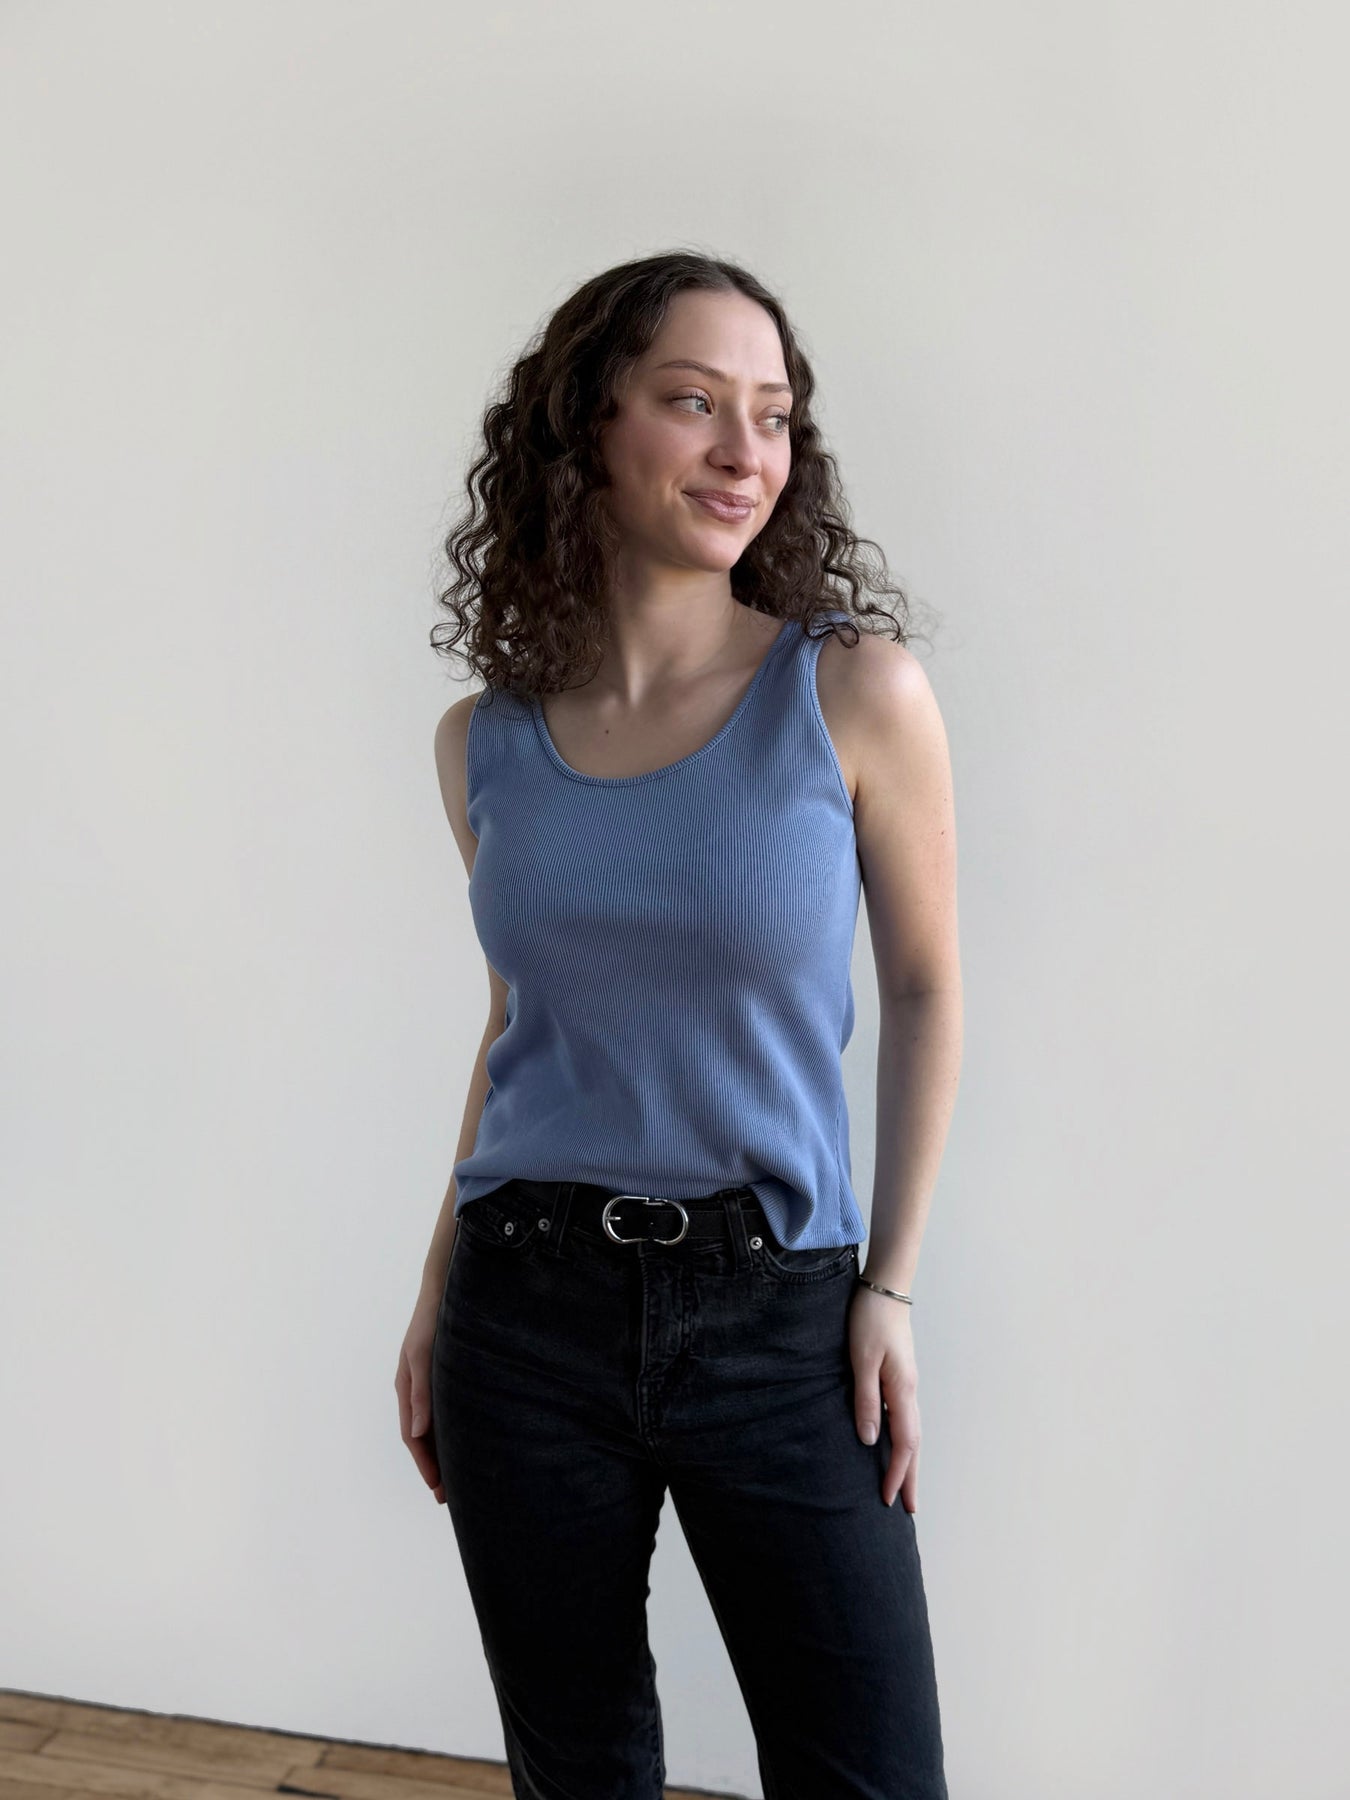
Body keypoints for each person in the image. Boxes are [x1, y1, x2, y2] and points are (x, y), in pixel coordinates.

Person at [396, 250, 961, 1799]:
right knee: (576, 1772)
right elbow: (517, 1026)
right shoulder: (483, 742)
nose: (743, 453)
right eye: (694, 402)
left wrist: (888, 1285)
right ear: (588, 423)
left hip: (779, 1315)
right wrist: (437, 1292)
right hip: (525, 1308)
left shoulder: (851, 692)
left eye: (772, 414)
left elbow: (923, 989)